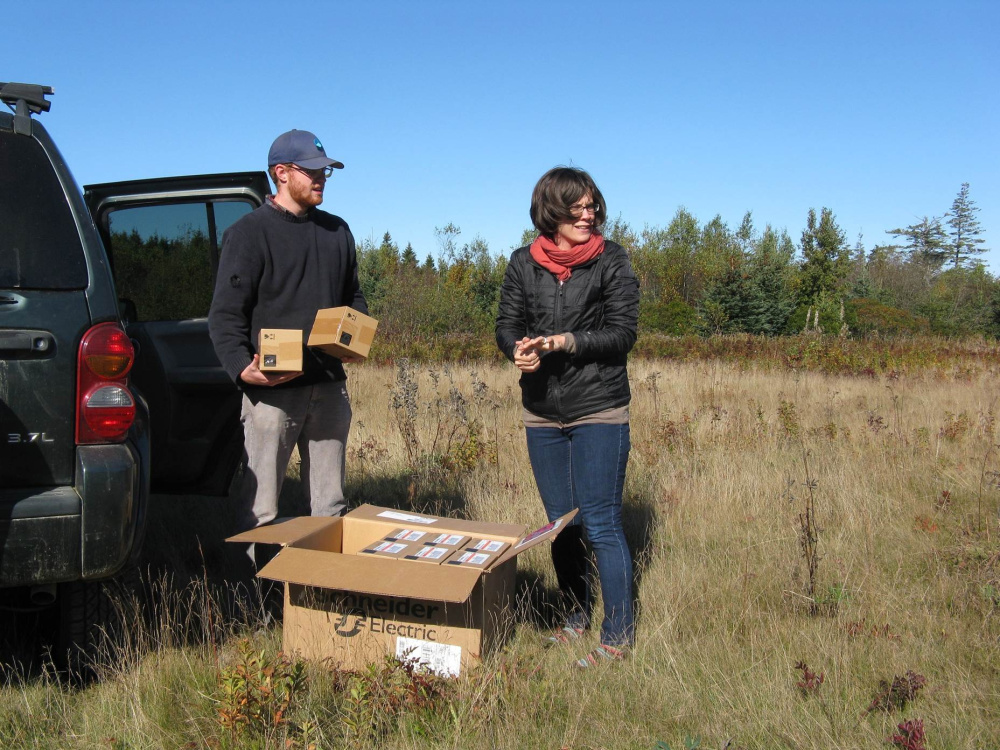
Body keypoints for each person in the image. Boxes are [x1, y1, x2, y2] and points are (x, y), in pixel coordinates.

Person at [496, 166, 640, 666]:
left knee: (599, 521)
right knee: (561, 524)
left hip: (599, 407)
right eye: (576, 206)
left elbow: (623, 333)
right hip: (542, 412)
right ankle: (575, 617)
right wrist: (518, 350)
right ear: (551, 211)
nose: (588, 213)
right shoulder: (522, 263)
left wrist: (565, 341)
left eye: (592, 205)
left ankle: (617, 637)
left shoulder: (611, 261)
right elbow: (507, 325)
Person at [209, 129, 367, 542]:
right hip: (272, 394)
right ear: (281, 172)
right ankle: (251, 601)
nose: (321, 179)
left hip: (329, 388)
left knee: (330, 505)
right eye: (312, 171)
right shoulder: (248, 233)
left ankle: (318, 598)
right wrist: (244, 370)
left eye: (326, 172)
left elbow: (354, 298)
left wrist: (353, 337)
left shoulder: (337, 232)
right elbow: (225, 316)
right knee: (259, 510)